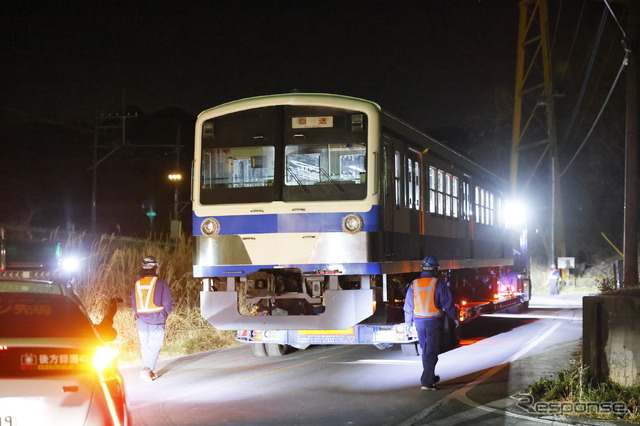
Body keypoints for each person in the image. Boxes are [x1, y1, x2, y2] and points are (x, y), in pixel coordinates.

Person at [404, 256, 459, 391]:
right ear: (435, 269)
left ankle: (430, 377)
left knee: (426, 350)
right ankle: (427, 382)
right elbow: (448, 303)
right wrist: (455, 318)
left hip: (419, 322)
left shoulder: (414, 284)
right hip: (433, 321)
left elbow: (408, 306)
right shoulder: (438, 284)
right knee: (432, 351)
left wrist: (408, 323)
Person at [131, 255, 173, 382]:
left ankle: (147, 369)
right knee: (155, 344)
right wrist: (166, 313)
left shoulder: (137, 283)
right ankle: (147, 370)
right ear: (156, 267)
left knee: (146, 345)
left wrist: (138, 313)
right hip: (157, 318)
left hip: (141, 319)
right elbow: (167, 302)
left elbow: (133, 301)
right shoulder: (160, 282)